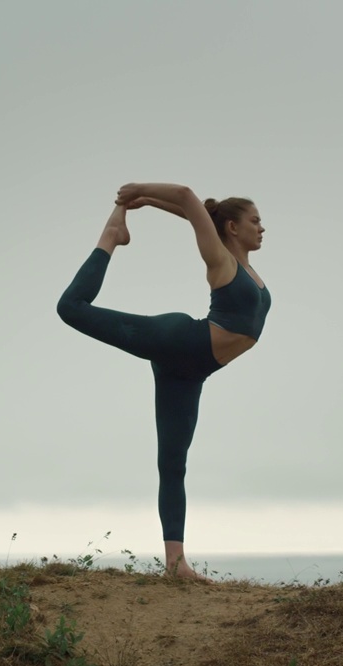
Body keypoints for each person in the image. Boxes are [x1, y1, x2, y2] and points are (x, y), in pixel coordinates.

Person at [56, 182, 270, 582]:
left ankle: (176, 564)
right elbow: (190, 198)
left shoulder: (250, 270)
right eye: (255, 220)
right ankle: (110, 237)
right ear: (232, 228)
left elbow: (195, 214)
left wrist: (152, 203)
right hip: (178, 340)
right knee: (70, 308)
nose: (263, 228)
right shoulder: (222, 263)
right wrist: (138, 191)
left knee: (173, 464)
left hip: (191, 370)